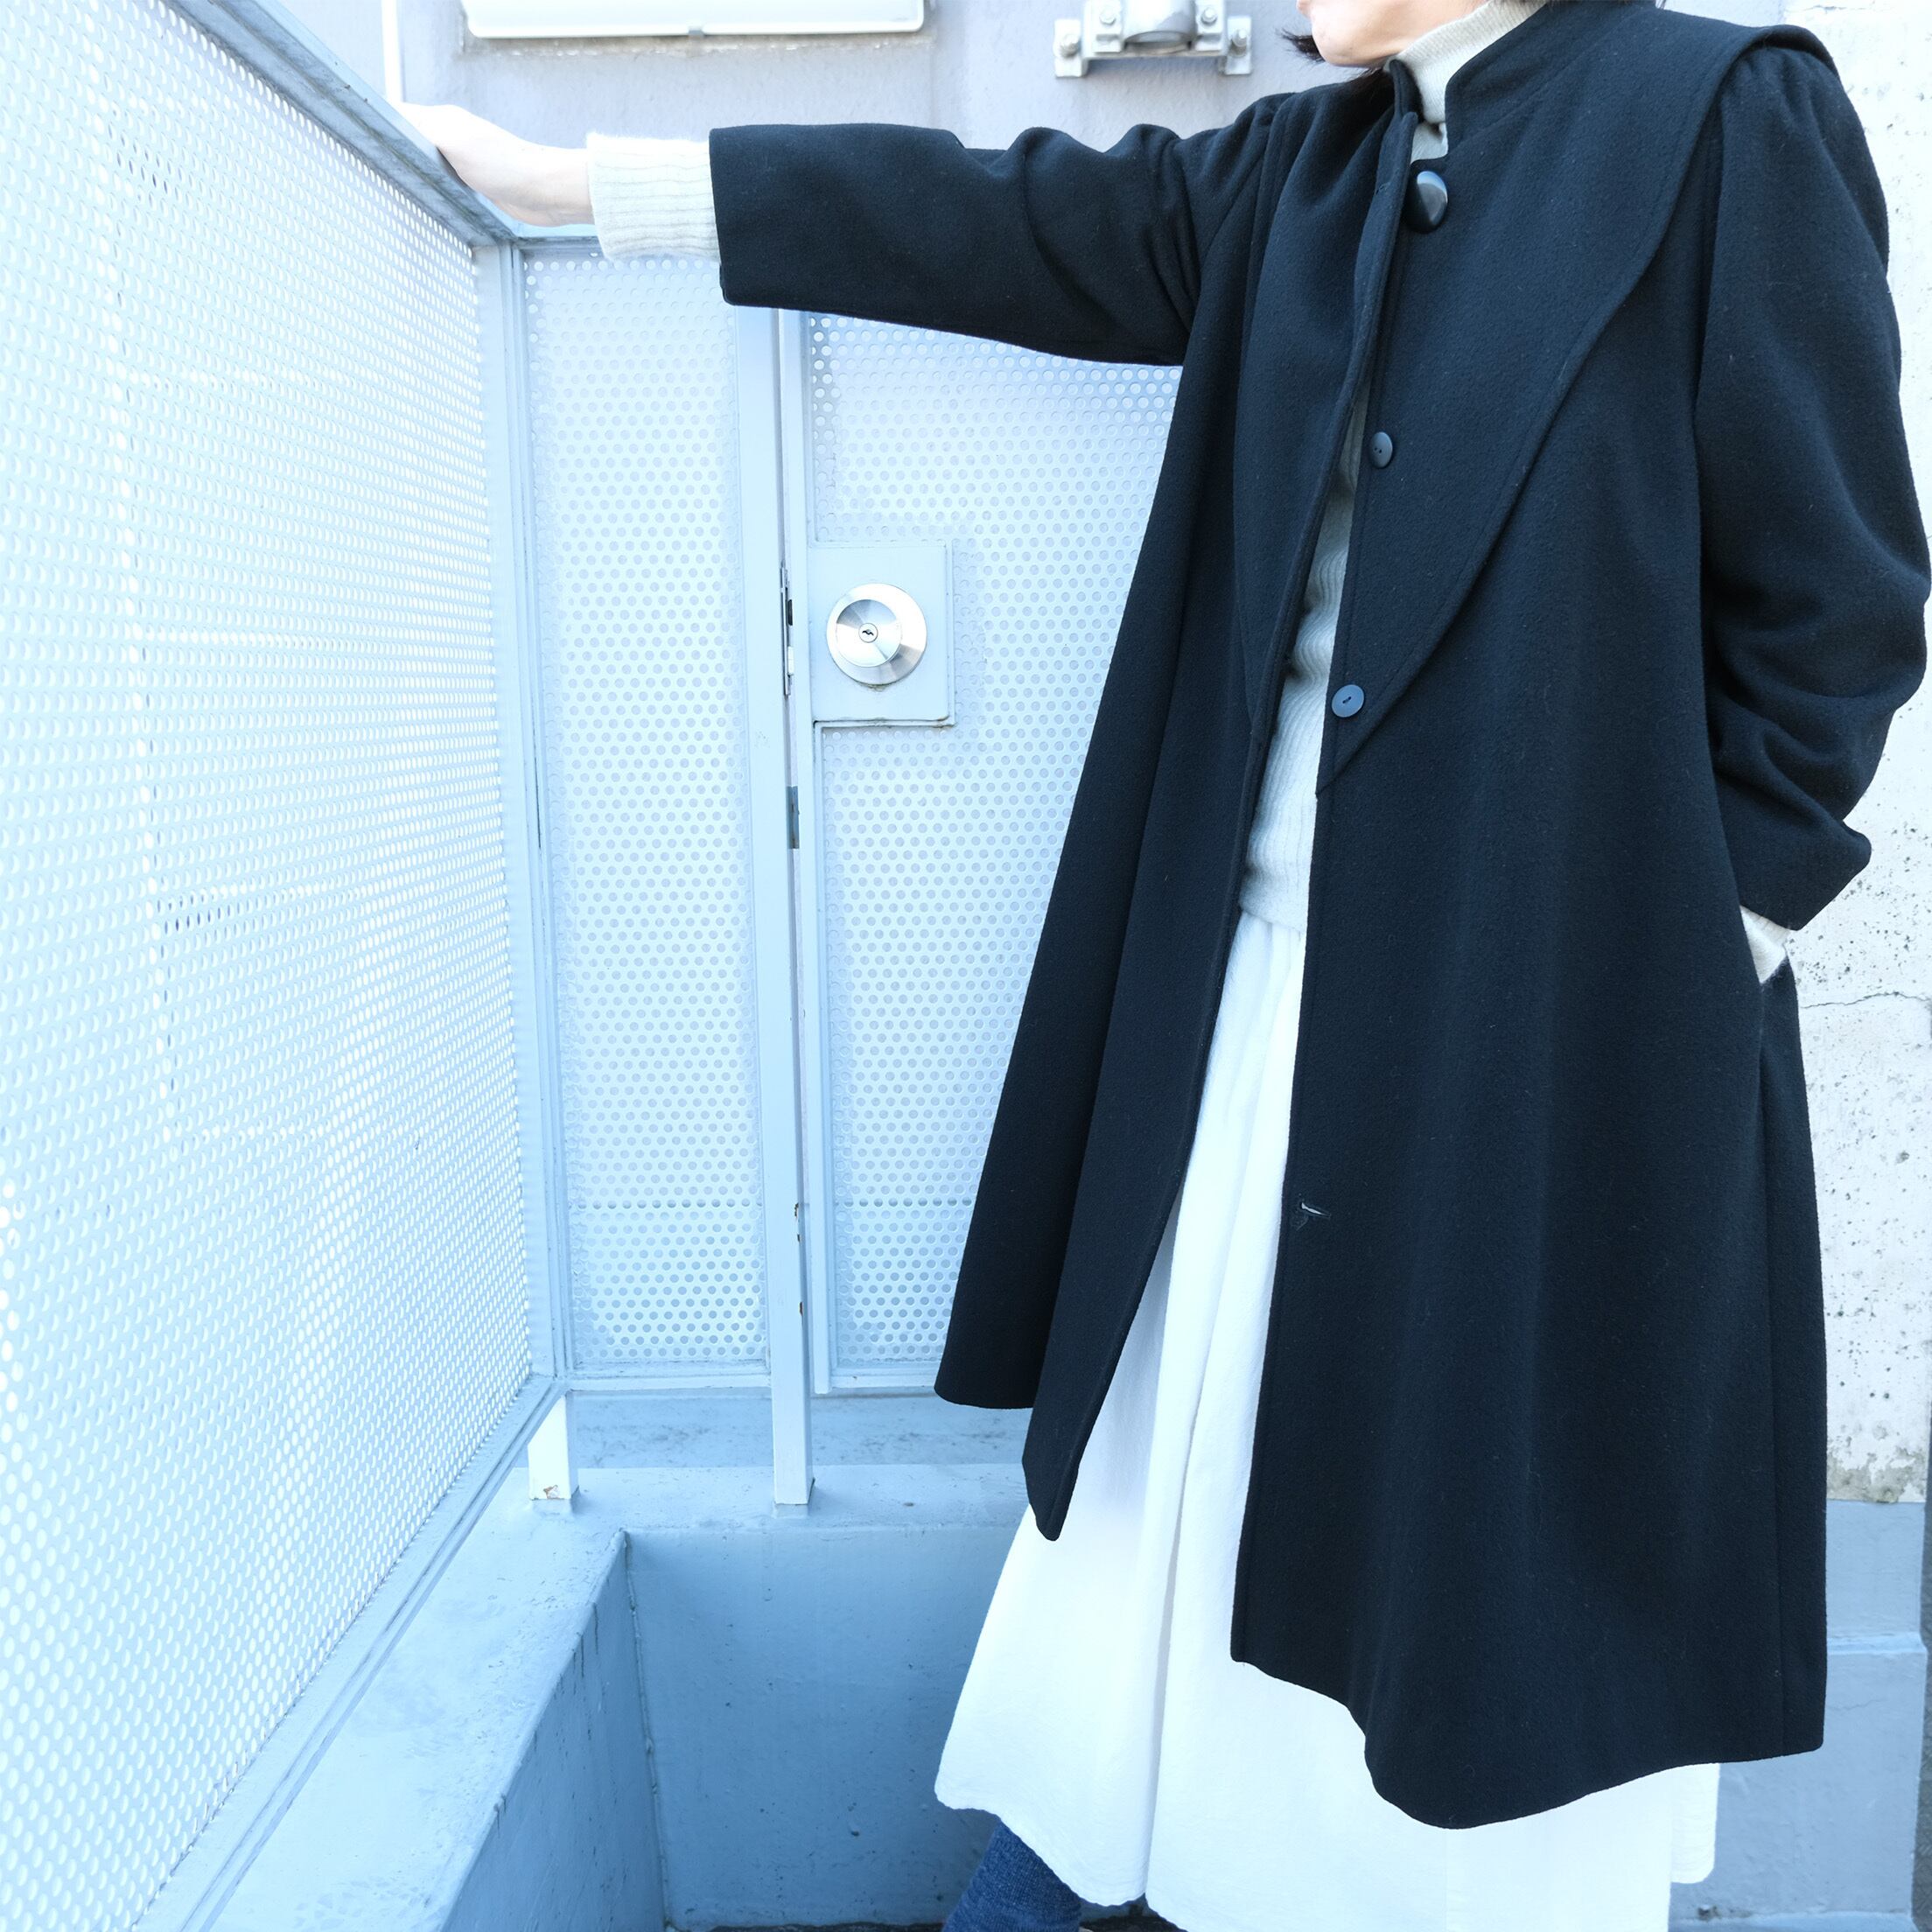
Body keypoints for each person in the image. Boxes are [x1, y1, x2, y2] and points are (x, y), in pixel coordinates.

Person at [404, 1, 1927, 1926]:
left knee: (1469, 1550)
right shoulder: (1314, 166)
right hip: (1257, 1005)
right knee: (1198, 1503)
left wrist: (1677, 956)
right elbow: (998, 218)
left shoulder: (1720, 114)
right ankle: (1163, 1869)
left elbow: (1837, 612)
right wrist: (586, 187)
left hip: (1531, 1036)